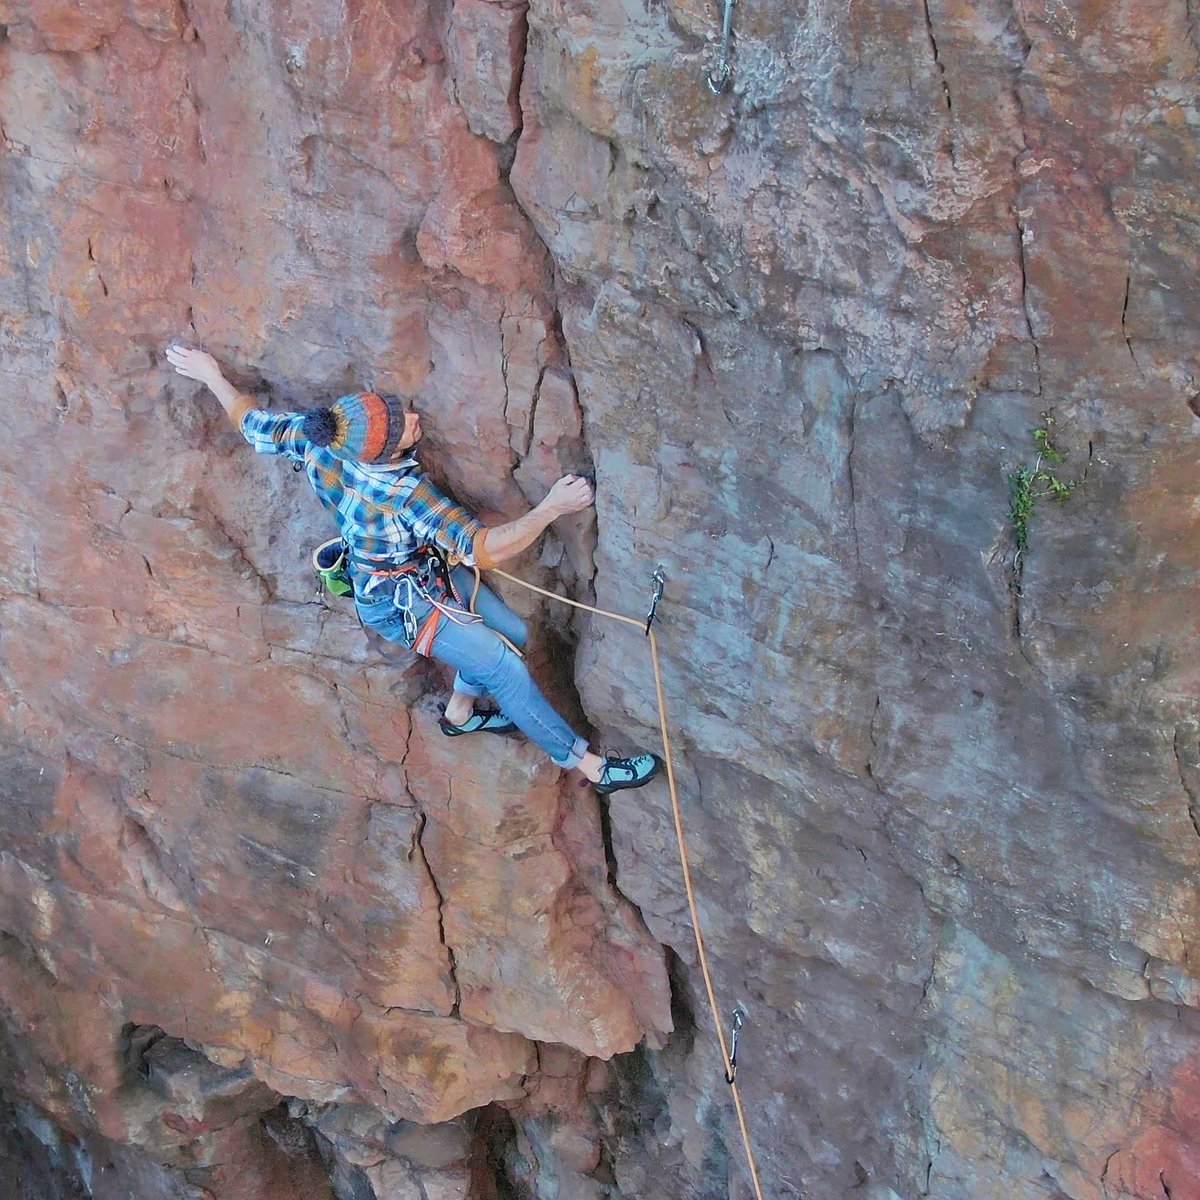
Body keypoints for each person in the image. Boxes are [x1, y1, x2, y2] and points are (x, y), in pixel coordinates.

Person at [165, 345, 664, 795]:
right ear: (389, 452)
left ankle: (460, 714)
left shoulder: (320, 439)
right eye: (405, 422)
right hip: (400, 604)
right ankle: (593, 769)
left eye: (398, 409)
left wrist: (211, 374)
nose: (414, 415)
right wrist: (552, 507)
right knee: (504, 666)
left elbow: (250, 421)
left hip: (414, 574)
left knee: (511, 628)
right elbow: (483, 550)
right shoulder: (405, 494)